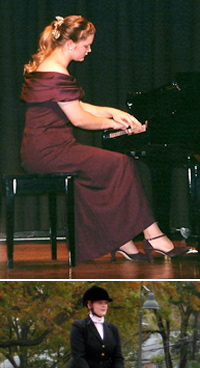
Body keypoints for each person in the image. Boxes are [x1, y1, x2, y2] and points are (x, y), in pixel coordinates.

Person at [20, 15, 190, 265]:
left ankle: (124, 242)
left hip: (40, 150)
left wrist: (113, 111)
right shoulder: (57, 73)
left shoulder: (46, 66)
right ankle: (154, 236)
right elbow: (80, 119)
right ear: (70, 44)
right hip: (51, 151)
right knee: (120, 165)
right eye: (86, 45)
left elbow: (75, 105)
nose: (89, 50)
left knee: (101, 174)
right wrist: (116, 123)